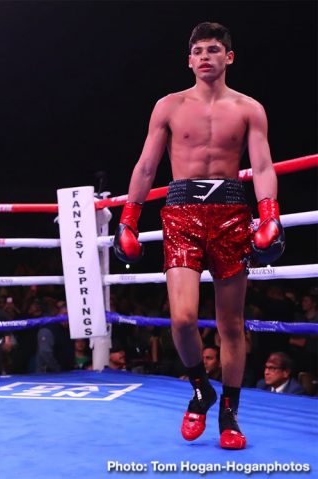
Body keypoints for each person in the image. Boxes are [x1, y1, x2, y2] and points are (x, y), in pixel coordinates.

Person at [114, 22, 283, 450]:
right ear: (189, 59)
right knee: (183, 318)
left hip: (230, 212)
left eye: (214, 49)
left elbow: (262, 167)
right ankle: (199, 389)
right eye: (198, 50)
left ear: (229, 57)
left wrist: (270, 216)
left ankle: (228, 413)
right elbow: (146, 167)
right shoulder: (169, 106)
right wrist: (128, 219)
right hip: (181, 214)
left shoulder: (249, 108)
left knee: (230, 324)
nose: (206, 56)